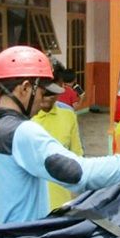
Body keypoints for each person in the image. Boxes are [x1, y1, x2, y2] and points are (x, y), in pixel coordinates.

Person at [0, 45, 120, 225]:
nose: (42, 100)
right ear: (26, 88)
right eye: (42, 92)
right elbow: (80, 173)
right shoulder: (23, 131)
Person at [32, 64, 84, 210]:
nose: (47, 97)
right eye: (44, 92)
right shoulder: (22, 119)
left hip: (61, 203)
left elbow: (77, 155)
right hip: (32, 206)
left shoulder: (68, 114)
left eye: (52, 92)